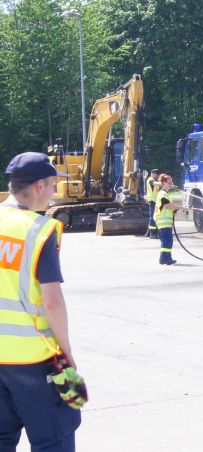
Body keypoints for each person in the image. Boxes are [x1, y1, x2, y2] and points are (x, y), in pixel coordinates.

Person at [0, 152, 82, 450]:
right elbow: (53, 303)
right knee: (53, 440)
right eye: (52, 186)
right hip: (34, 360)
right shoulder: (38, 230)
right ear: (39, 185)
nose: (53, 192)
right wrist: (67, 351)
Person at [153, 174, 185, 265]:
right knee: (166, 242)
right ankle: (164, 259)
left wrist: (177, 208)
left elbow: (168, 207)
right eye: (169, 182)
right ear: (163, 183)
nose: (171, 184)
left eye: (171, 182)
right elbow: (167, 206)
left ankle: (166, 258)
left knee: (167, 242)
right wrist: (182, 207)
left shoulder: (165, 194)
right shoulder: (162, 194)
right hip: (163, 223)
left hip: (165, 223)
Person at [144, 169, 161, 239]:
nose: (157, 176)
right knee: (153, 218)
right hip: (152, 201)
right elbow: (155, 184)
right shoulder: (150, 180)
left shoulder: (155, 180)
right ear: (153, 174)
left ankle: (148, 233)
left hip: (155, 201)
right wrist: (165, 182)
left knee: (153, 217)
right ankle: (153, 234)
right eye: (157, 175)